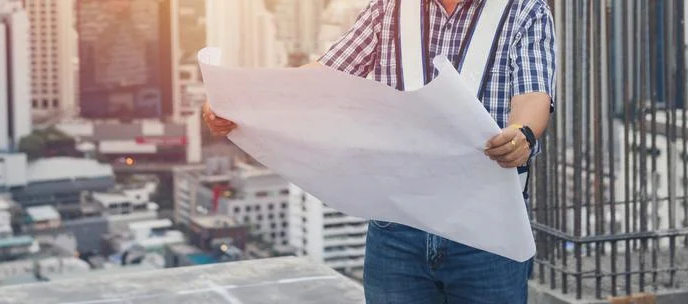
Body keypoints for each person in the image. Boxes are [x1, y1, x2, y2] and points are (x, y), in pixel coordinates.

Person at [203, 0, 556, 302]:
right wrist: (238, 104)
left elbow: (533, 95)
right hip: (398, 228)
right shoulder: (390, 8)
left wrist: (521, 133)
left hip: (488, 232)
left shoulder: (524, 10)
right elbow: (322, 77)